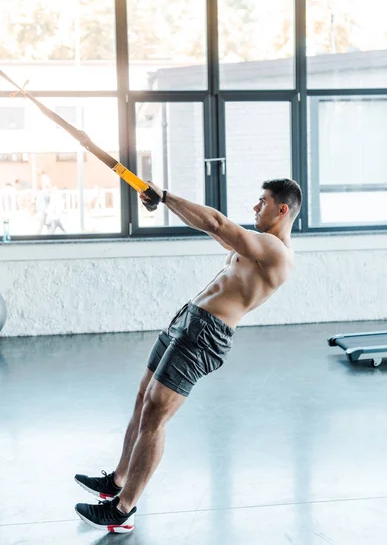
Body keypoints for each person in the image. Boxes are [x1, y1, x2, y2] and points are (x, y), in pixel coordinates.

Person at [74, 178, 302, 533]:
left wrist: (164, 196)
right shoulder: (258, 245)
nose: (256, 207)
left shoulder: (276, 251)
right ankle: (117, 480)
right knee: (142, 400)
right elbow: (218, 233)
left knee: (155, 415)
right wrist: (165, 204)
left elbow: (217, 223)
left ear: (282, 209)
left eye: (263, 201)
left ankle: (123, 509)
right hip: (187, 321)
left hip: (206, 336)